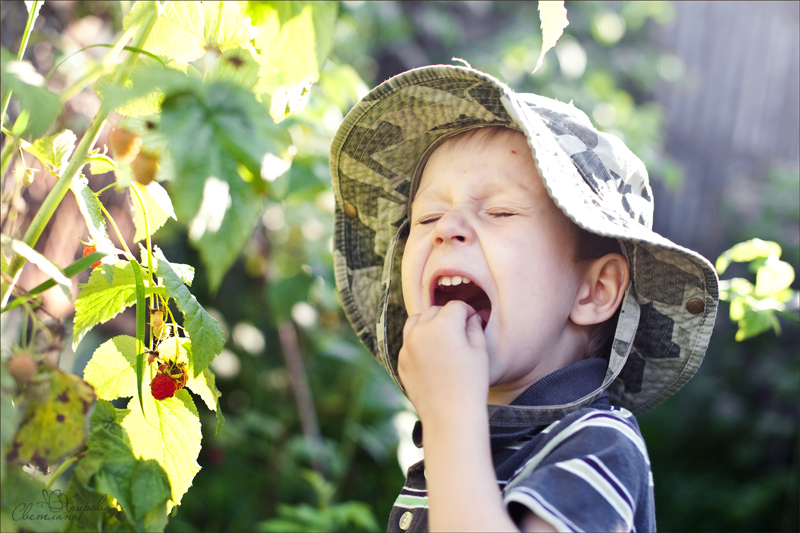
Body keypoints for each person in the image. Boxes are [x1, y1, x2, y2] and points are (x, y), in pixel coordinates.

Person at [329, 64, 718, 532]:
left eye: (499, 211)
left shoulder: (596, 445)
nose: (447, 228)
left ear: (594, 291)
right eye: (427, 217)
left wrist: (450, 415)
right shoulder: (467, 442)